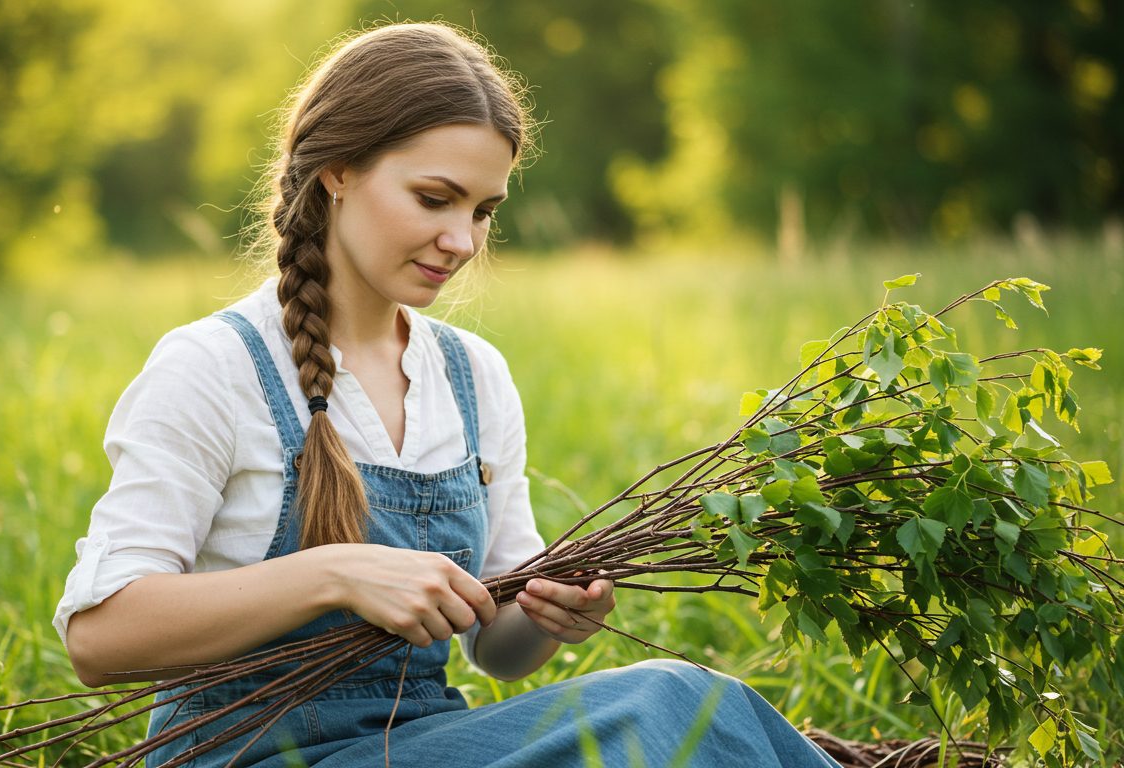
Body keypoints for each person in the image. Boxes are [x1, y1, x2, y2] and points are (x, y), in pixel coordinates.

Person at [54, 21, 841, 768]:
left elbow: (494, 654)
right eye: (435, 199)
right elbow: (101, 636)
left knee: (696, 708)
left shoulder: (471, 378)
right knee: (665, 701)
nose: (463, 241)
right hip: (242, 752)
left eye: (483, 210)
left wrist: (541, 618)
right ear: (338, 170)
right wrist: (332, 573)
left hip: (420, 743)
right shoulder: (214, 367)